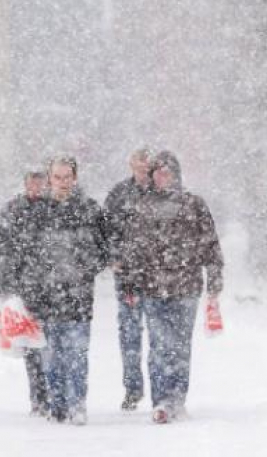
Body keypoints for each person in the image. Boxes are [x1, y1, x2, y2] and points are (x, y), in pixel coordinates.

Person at [118, 150, 224, 424]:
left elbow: (210, 245)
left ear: (176, 174)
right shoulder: (142, 206)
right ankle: (161, 400)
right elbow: (132, 248)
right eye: (157, 172)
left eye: (167, 172)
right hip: (153, 288)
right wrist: (129, 282)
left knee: (180, 346)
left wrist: (214, 280)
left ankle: (177, 397)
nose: (162, 177)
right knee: (159, 345)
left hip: (186, 287)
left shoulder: (194, 204)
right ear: (152, 176)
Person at [26, 155, 108, 425]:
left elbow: (103, 250)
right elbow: (26, 255)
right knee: (50, 358)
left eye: (67, 177)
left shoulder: (90, 210)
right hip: (46, 298)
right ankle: (57, 405)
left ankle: (77, 404)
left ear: (75, 177)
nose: (62, 182)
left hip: (78, 298)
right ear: (49, 179)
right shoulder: (37, 213)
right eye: (57, 177)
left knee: (77, 355)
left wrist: (82, 270)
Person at [0, 170, 50, 416]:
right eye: (32, 181)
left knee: (51, 343)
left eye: (40, 181)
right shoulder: (13, 210)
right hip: (25, 286)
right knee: (31, 345)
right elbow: (2, 249)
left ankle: (52, 393)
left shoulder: (54, 208)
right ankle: (38, 397)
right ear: (25, 183)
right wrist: (3, 284)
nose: (36, 186)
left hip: (51, 286)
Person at [103, 148, 152, 411]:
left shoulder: (163, 192)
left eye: (148, 163)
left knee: (160, 337)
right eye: (139, 162)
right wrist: (114, 256)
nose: (144, 167)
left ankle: (161, 390)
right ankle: (133, 388)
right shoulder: (119, 193)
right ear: (131, 164)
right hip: (128, 279)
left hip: (159, 278)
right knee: (130, 334)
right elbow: (106, 228)